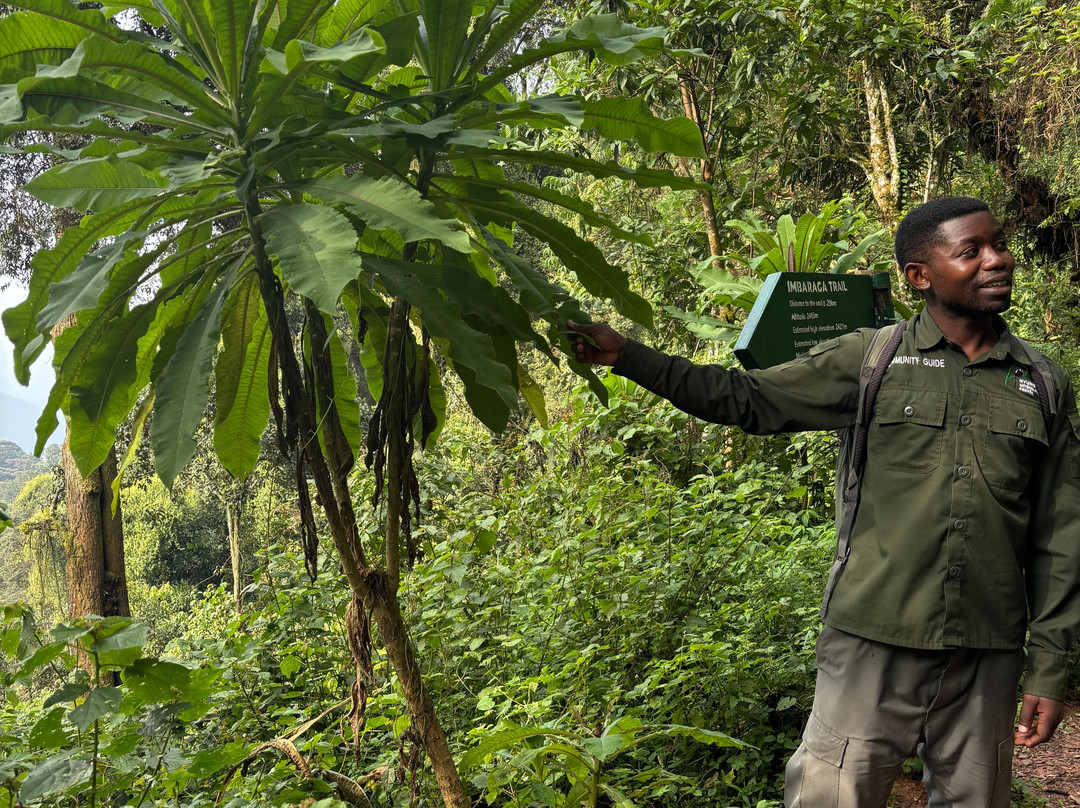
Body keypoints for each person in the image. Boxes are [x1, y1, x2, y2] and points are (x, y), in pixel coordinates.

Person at [568, 197, 1080, 808]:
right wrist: (628, 355)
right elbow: (745, 399)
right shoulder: (872, 360)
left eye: (998, 244)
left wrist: (1048, 664)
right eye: (971, 251)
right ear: (920, 277)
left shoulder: (1042, 381)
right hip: (872, 639)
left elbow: (1060, 531)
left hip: (986, 652)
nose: (997, 260)